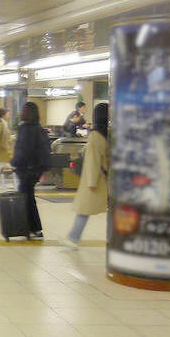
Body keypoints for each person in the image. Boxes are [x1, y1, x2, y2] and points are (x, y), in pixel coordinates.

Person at [63, 103, 110, 249]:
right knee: (87, 210)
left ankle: (73, 238)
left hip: (96, 178)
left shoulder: (95, 135)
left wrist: (91, 182)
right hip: (105, 177)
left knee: (84, 209)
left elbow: (92, 160)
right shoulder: (107, 134)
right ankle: (73, 237)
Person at [11, 102, 51, 240]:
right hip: (36, 170)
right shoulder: (40, 129)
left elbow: (22, 150)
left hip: (25, 169)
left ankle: (34, 228)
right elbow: (46, 150)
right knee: (28, 197)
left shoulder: (24, 129)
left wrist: (14, 163)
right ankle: (31, 228)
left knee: (26, 198)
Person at [0, 108, 13, 172]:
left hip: (6, 152)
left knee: (5, 171)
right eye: (8, 113)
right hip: (1, 153)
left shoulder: (5, 123)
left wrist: (14, 137)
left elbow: (7, 137)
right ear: (4, 114)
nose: (9, 115)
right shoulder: (0, 123)